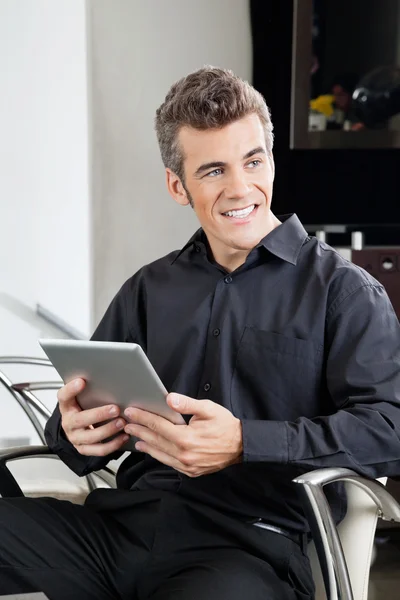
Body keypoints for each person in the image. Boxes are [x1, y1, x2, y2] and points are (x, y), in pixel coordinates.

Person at [1, 66, 400, 600]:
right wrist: (75, 435)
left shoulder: (343, 291)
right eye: (213, 171)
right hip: (117, 531)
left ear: (272, 162)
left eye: (253, 161)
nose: (241, 188)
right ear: (177, 184)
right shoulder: (148, 288)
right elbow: (72, 430)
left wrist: (244, 442)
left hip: (246, 548)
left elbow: (390, 429)